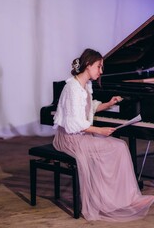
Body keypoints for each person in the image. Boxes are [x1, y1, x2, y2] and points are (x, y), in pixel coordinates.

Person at [53, 48, 154, 222]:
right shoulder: (72, 88)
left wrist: (108, 104)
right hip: (70, 139)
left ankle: (121, 198)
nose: (101, 71)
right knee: (119, 147)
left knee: (118, 147)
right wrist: (99, 130)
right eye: (99, 67)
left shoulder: (84, 85)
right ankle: (117, 200)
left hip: (79, 135)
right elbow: (73, 124)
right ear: (88, 65)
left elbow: (88, 109)